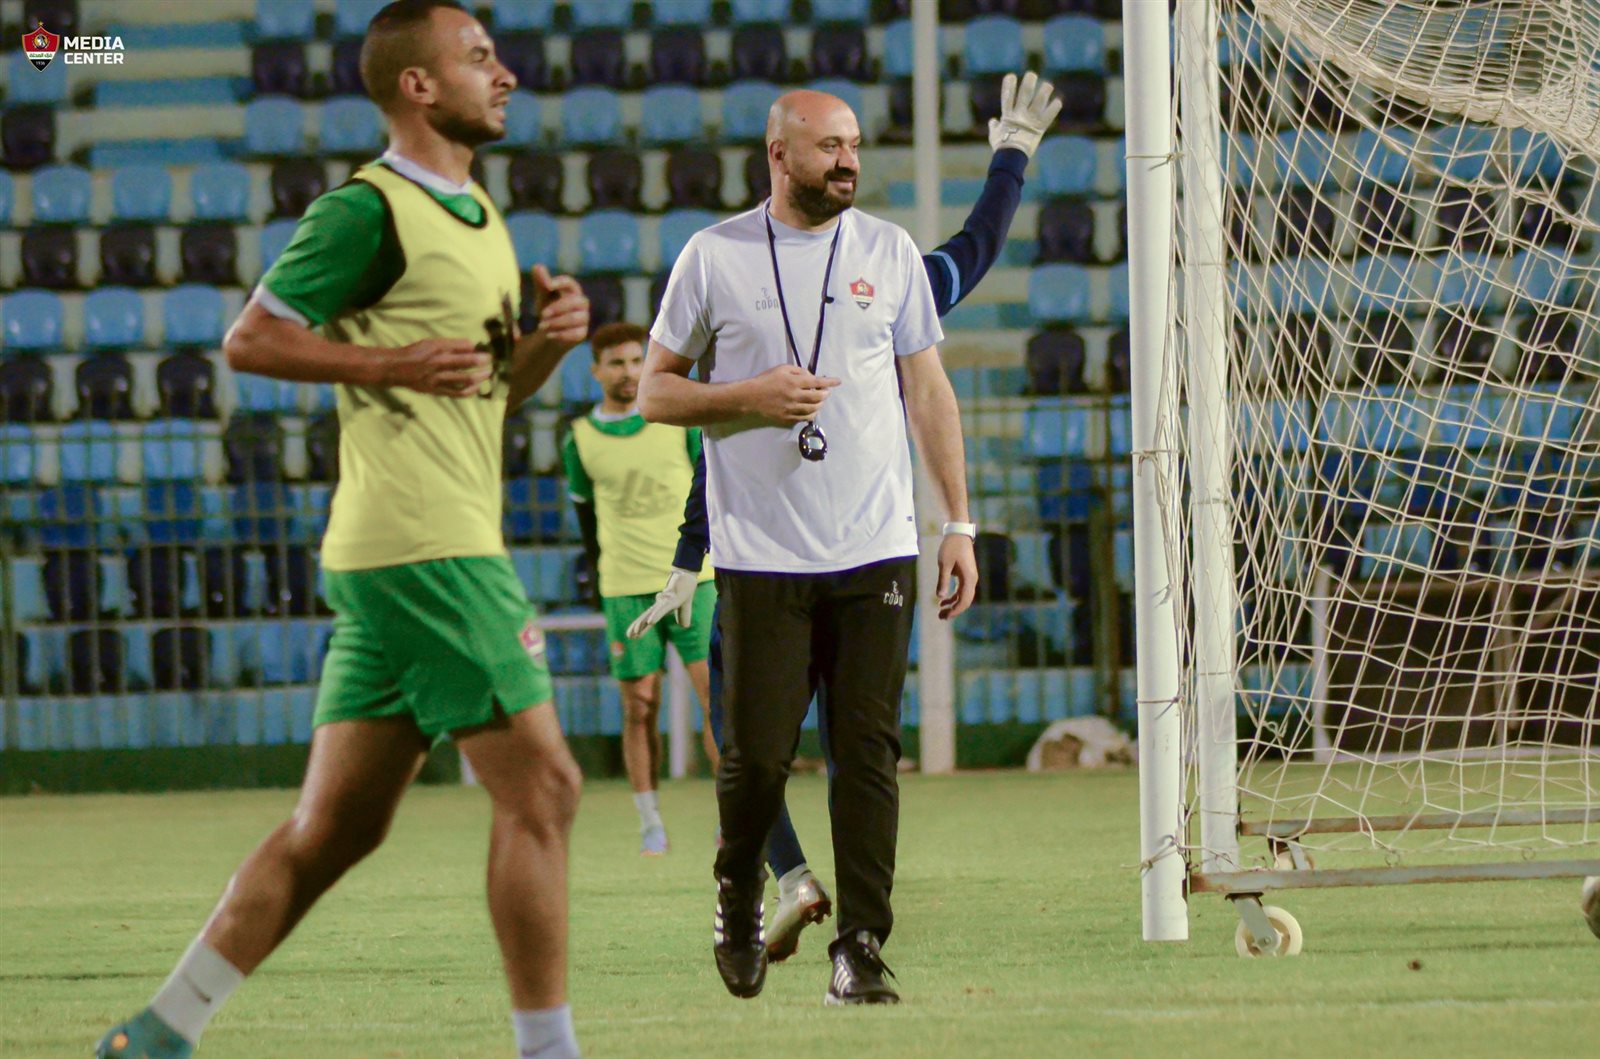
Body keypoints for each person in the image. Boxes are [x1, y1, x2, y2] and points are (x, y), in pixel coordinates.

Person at [95, 3, 590, 1057]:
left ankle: (155, 1034)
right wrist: (386, 363)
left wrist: (545, 345)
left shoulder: (477, 211)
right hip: (427, 547)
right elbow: (250, 339)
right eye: (478, 58)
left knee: (337, 828)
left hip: (400, 551)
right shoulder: (367, 210)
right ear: (418, 86)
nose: (504, 74)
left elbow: (485, 397)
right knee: (545, 788)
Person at [628, 72, 1061, 966]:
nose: (849, 161)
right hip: (759, 555)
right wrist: (749, 400)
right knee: (754, 758)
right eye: (830, 146)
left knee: (867, 754)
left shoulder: (890, 253)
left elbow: (934, 377)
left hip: (876, 549)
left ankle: (860, 945)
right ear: (778, 153)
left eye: (855, 145)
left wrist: (959, 522)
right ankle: (741, 887)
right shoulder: (713, 256)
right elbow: (655, 394)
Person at [560, 322, 719, 856]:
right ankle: (650, 821)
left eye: (636, 360)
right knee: (639, 706)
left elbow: (710, 492)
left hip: (695, 578)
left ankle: (731, 818)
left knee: (716, 699)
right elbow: (586, 520)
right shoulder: (579, 439)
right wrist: (600, 576)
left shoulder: (677, 421)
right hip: (624, 586)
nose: (629, 372)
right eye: (617, 363)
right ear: (596, 371)